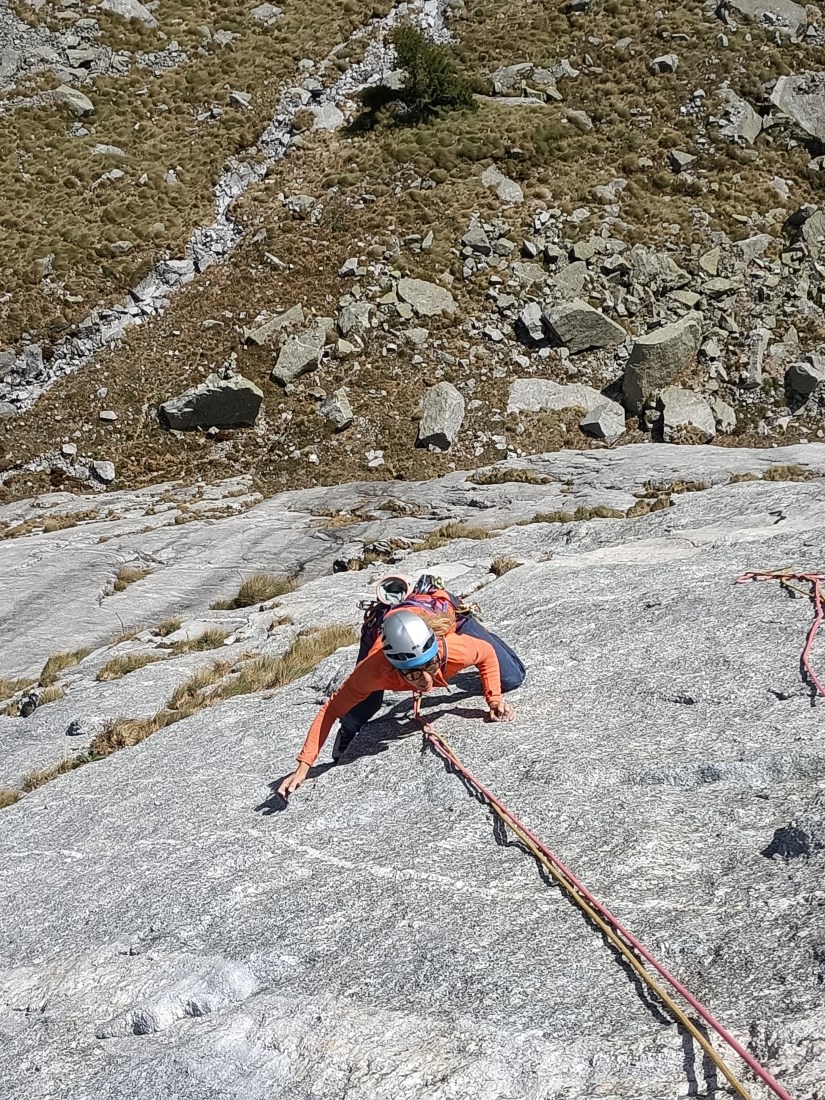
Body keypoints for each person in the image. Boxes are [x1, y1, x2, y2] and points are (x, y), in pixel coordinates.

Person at [277, 607, 526, 799]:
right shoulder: (375, 671)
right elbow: (331, 709)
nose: (427, 680)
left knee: (513, 677)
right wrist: (304, 765)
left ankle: (476, 629)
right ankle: (350, 730)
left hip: (437, 612)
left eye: (430, 666)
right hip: (382, 626)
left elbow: (486, 654)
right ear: (396, 669)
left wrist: (494, 698)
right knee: (364, 704)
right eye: (415, 674)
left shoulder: (452, 650)